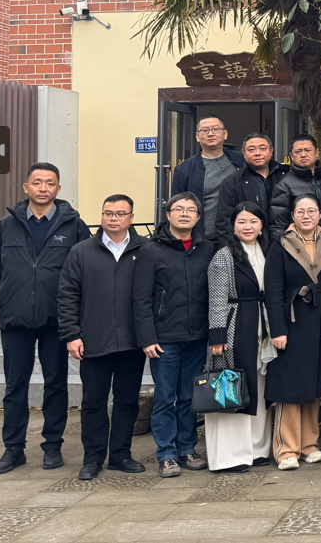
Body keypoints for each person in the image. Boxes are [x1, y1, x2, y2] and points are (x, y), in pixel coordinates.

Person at [0, 163, 89, 475]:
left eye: (49, 183)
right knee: (15, 385)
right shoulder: (7, 225)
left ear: (58, 188)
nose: (43, 188)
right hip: (16, 318)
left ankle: (53, 446)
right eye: (37, 182)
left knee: (56, 384)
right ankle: (13, 448)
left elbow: (83, 271)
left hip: (57, 317)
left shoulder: (74, 226)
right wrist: (16, 294)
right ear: (26, 187)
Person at [57, 194, 147, 480]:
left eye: (120, 214)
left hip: (132, 341)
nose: (113, 218)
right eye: (108, 213)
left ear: (131, 218)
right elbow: (67, 295)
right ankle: (93, 458)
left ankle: (121, 455)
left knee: (127, 401)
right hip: (94, 339)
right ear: (101, 215)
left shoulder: (145, 250)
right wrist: (72, 334)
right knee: (93, 401)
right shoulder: (81, 251)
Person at [133, 191, 217, 478]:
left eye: (190, 210)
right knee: (165, 398)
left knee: (190, 397)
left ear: (199, 216)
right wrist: (147, 337)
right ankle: (166, 453)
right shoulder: (151, 250)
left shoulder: (207, 249)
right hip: (164, 339)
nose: (184, 214)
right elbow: (141, 298)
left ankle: (187, 448)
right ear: (167, 214)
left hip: (198, 337)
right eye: (178, 209)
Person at [264, 194, 321, 470]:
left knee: (314, 384)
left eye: (311, 211)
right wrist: (278, 330)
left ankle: (310, 445)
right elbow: (272, 291)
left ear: (320, 214)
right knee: (289, 386)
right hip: (291, 320)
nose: (306, 216)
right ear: (293, 216)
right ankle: (287, 449)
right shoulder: (280, 245)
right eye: (300, 211)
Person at [203, 202, 273, 473]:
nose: (247, 227)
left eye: (253, 221)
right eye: (241, 221)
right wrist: (217, 336)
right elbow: (217, 299)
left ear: (262, 225)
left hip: (260, 326)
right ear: (232, 226)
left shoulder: (266, 251)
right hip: (234, 327)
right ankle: (229, 456)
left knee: (258, 386)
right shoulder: (224, 256)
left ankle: (257, 449)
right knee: (230, 387)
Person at [170, 115, 246, 241]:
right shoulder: (184, 169)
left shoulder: (241, 161)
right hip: (202, 239)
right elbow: (177, 206)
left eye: (216, 129)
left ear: (225, 134)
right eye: (205, 130)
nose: (210, 134)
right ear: (197, 136)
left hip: (238, 237)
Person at [217, 133, 288, 239]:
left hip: (284, 241)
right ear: (244, 153)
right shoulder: (232, 182)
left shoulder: (285, 176)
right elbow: (224, 222)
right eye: (251, 150)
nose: (257, 153)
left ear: (271, 150)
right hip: (247, 242)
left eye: (263, 149)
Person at [270, 134, 321, 241]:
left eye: (308, 150)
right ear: (291, 156)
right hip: (300, 243)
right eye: (298, 152)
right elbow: (278, 226)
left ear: (317, 153)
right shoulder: (284, 184)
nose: (303, 155)